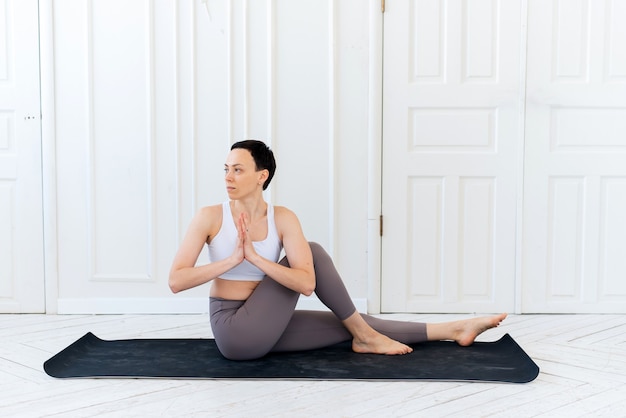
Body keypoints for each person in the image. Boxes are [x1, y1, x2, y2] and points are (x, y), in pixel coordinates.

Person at [169, 140, 507, 361]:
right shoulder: (210, 216)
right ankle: (365, 336)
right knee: (313, 252)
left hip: (268, 321)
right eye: (226, 169)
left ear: (262, 176)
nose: (228, 176)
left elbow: (306, 284)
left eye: (237, 169)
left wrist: (255, 257)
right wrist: (232, 260)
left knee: (352, 323)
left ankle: (454, 329)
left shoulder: (283, 218)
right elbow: (176, 281)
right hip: (234, 329)